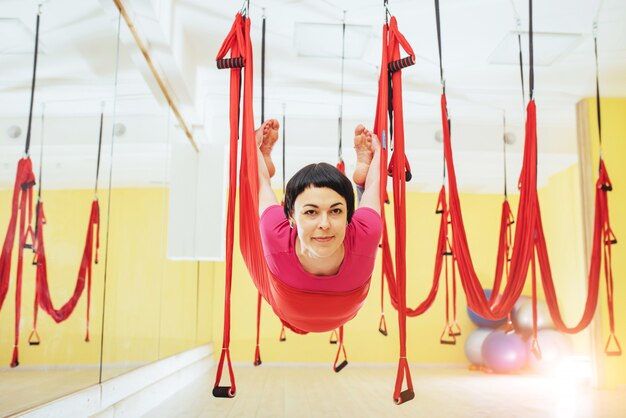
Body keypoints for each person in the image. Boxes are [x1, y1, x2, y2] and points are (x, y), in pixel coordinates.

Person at [253, 119, 382, 333]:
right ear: (291, 215)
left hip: (289, 307)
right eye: (311, 212)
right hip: (297, 309)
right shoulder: (274, 231)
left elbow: (377, 185)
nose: (324, 224)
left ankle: (361, 177)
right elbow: (258, 181)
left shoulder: (364, 233)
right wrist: (255, 150)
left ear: (349, 214)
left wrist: (380, 153)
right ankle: (264, 157)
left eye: (336, 211)